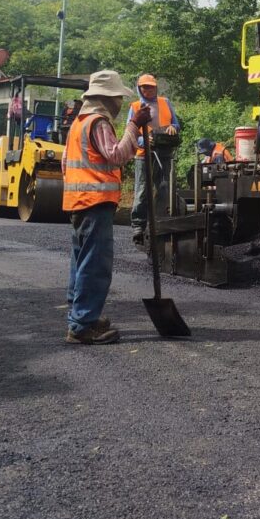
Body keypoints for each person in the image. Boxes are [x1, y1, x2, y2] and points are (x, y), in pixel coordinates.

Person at [63, 70, 151, 345]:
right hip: (95, 202)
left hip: (79, 202)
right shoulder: (98, 122)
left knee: (80, 263)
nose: (119, 104)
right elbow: (117, 155)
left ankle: (80, 316)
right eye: (117, 98)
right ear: (106, 99)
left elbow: (65, 164)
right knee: (94, 266)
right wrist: (134, 125)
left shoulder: (78, 123)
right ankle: (82, 325)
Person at [127, 73, 181, 245]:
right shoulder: (135, 106)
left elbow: (176, 124)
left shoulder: (165, 102)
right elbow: (130, 132)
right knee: (142, 190)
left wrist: (173, 127)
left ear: (156, 88)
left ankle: (159, 223)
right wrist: (143, 140)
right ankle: (138, 226)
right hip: (144, 155)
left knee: (165, 188)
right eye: (145, 87)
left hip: (164, 152)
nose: (148, 90)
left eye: (151, 87)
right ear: (139, 88)